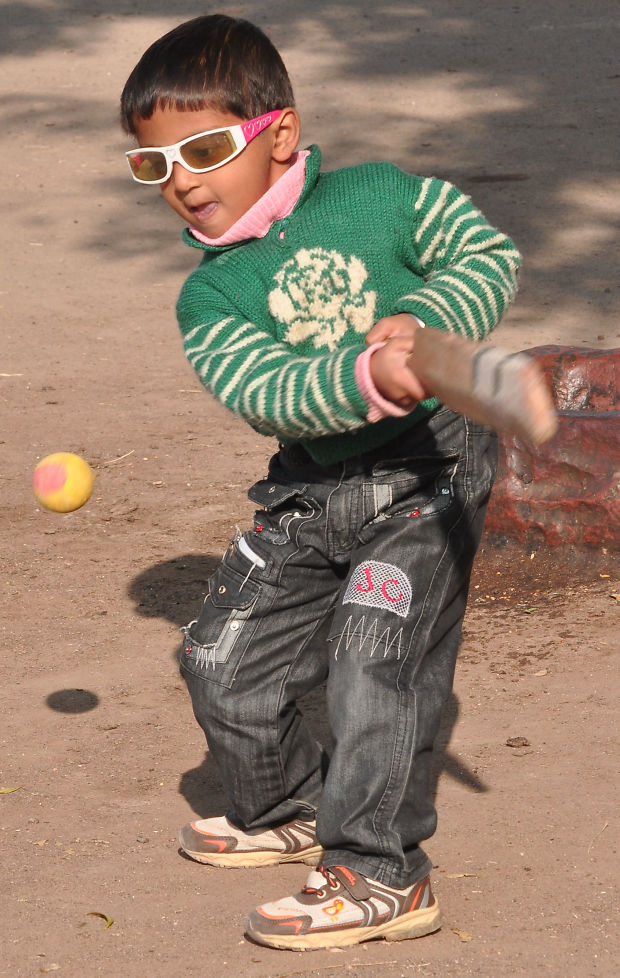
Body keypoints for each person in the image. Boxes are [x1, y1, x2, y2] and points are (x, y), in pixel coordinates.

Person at [120, 13, 520, 951]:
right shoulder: (209, 296)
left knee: (376, 650)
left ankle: (382, 870)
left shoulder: (382, 198)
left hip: (431, 470)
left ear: (280, 135)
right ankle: (291, 802)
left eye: (205, 149)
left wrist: (422, 317)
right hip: (312, 483)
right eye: (153, 164)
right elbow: (262, 389)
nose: (181, 180)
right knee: (219, 658)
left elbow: (485, 254)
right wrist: (362, 377)